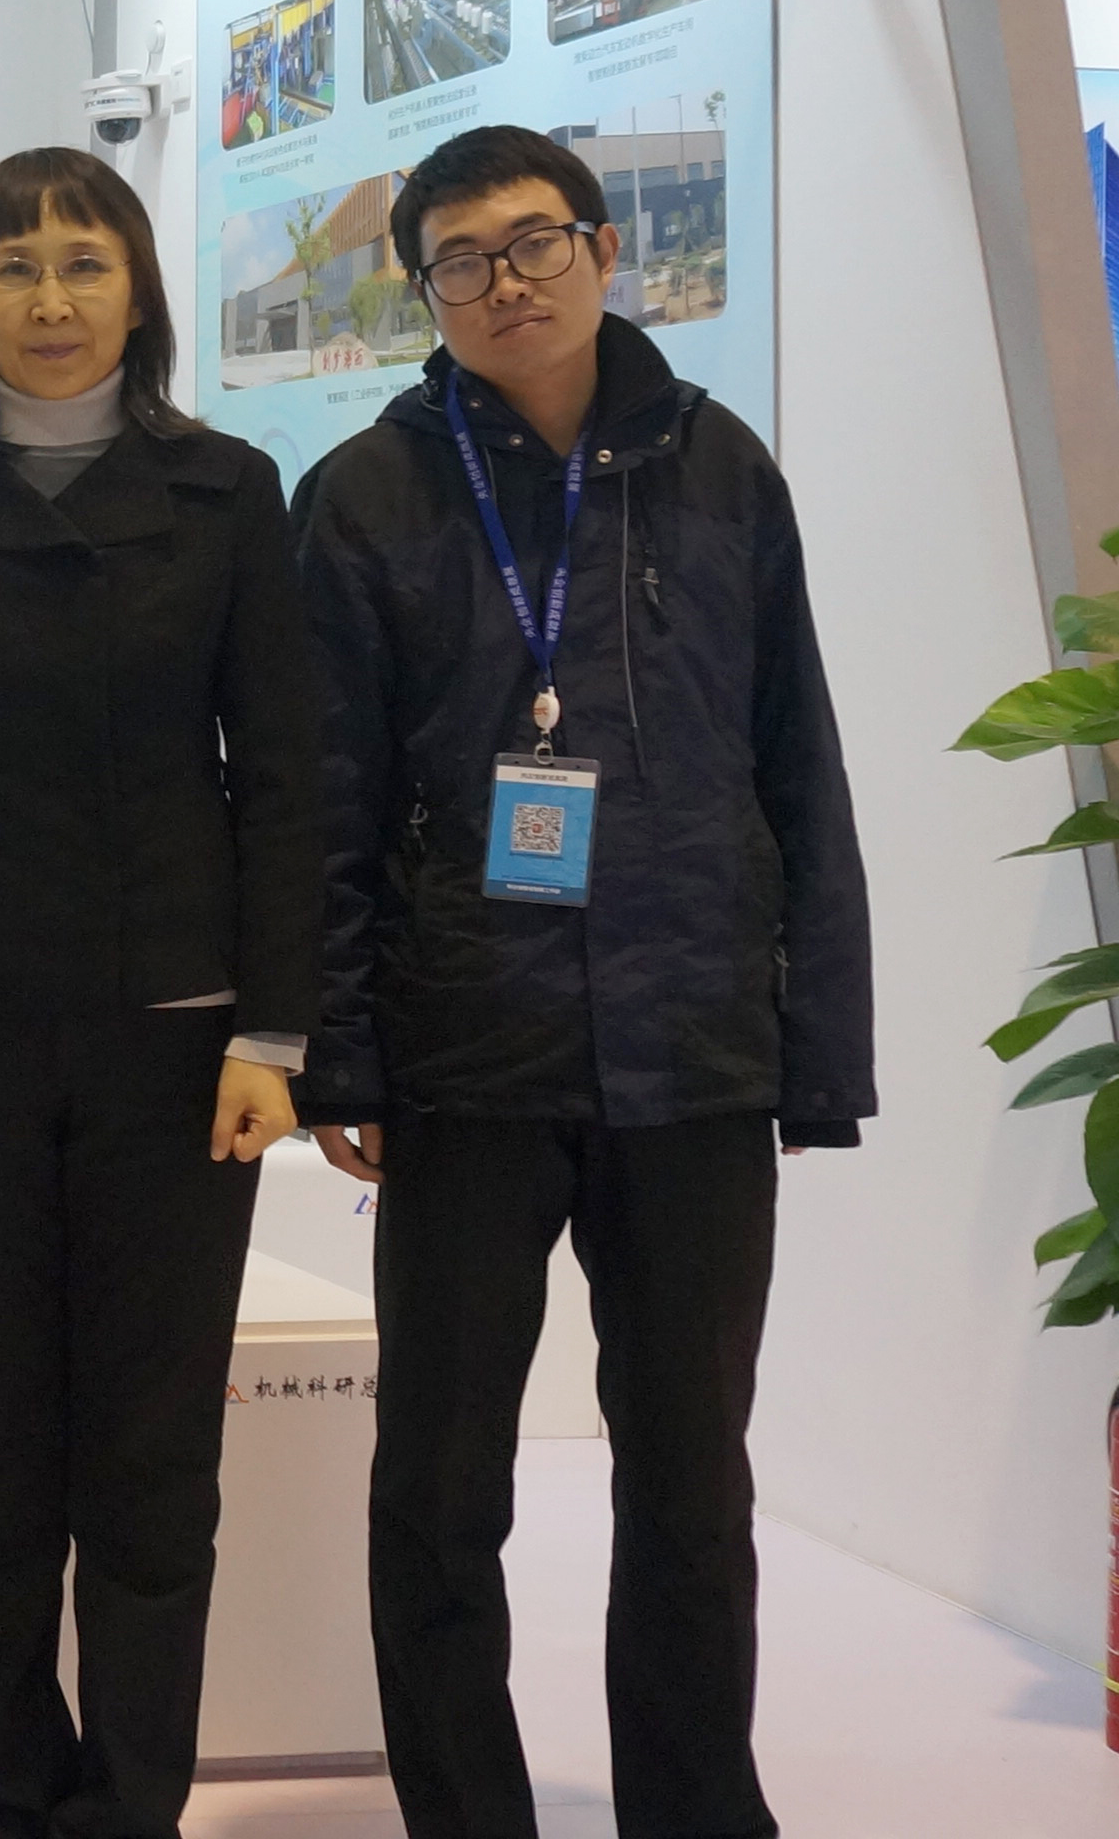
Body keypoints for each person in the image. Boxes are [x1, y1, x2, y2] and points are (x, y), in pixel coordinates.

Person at [289, 122, 871, 1839]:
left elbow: (798, 763)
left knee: (692, 1478)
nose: (507, 282)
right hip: (469, 1047)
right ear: (426, 293)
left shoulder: (722, 469)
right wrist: (344, 1052)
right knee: (440, 1481)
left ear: (606, 252)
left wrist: (817, 1048)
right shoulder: (368, 495)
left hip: (693, 1045)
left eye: (535, 242)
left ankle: (694, 1809)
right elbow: (323, 800)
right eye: (461, 261)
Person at [0, 145, 324, 1839]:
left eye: (85, 264)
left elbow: (286, 775)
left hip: (178, 1032)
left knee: (156, 1450)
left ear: (139, 294)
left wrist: (275, 1028)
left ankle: (134, 1801)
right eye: (15, 266)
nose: (51, 299)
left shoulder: (228, 490)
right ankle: (6, 1786)